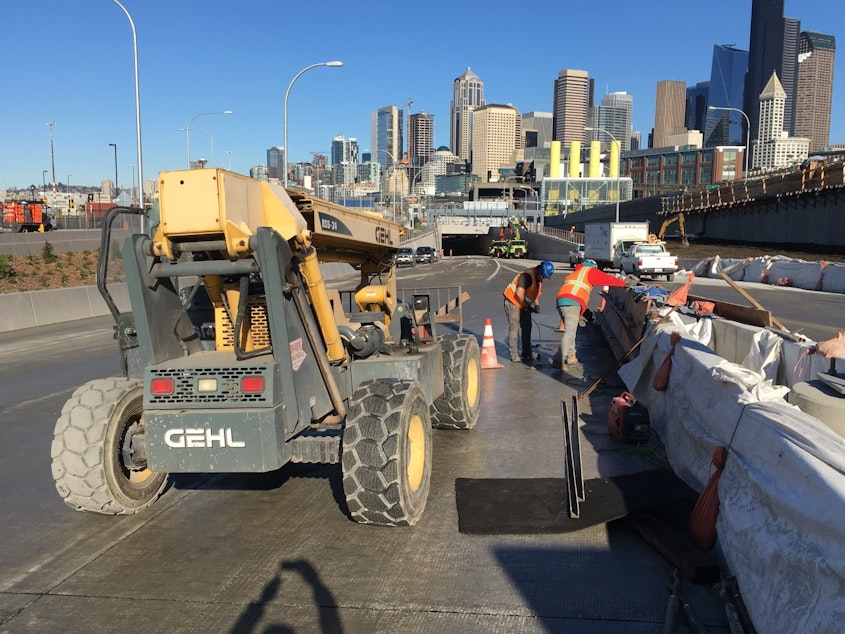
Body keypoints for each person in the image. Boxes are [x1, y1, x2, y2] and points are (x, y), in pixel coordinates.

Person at [552, 259, 625, 367]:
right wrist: (623, 283)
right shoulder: (590, 271)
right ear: (593, 267)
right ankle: (558, 359)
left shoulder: (576, 272)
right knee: (570, 332)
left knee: (571, 329)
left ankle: (571, 356)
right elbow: (607, 279)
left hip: (561, 301)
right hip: (573, 302)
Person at [503, 260, 555, 363]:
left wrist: (536, 305)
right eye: (543, 276)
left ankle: (526, 352)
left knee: (527, 326)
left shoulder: (538, 278)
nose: (543, 279)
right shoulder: (526, 276)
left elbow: (534, 293)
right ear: (539, 271)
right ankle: (514, 355)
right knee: (514, 329)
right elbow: (519, 293)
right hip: (512, 302)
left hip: (522, 303)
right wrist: (525, 306)